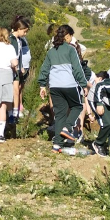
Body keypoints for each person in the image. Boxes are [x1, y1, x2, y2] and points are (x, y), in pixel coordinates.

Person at [37, 24, 88, 153]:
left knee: (59, 114)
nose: (72, 39)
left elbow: (44, 69)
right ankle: (67, 127)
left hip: (54, 86)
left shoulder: (51, 51)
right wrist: (83, 84)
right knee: (77, 107)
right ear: (67, 36)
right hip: (69, 85)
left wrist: (42, 85)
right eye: (71, 36)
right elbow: (77, 69)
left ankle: (57, 145)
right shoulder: (71, 50)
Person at [9, 16, 31, 124]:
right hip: (11, 69)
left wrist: (21, 65)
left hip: (17, 69)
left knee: (17, 89)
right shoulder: (11, 39)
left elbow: (19, 55)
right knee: (14, 90)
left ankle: (16, 112)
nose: (25, 34)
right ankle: (11, 112)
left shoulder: (19, 40)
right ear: (18, 29)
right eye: (24, 31)